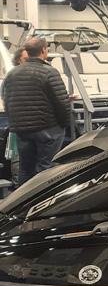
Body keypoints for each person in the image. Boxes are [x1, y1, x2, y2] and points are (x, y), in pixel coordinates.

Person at [2, 37, 70, 184]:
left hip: (22, 130)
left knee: (25, 169)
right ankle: (46, 197)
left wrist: (15, 124)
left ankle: (24, 197)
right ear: (44, 50)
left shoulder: (12, 74)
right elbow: (62, 102)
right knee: (46, 169)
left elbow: (6, 99)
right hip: (48, 129)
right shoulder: (49, 72)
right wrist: (64, 124)